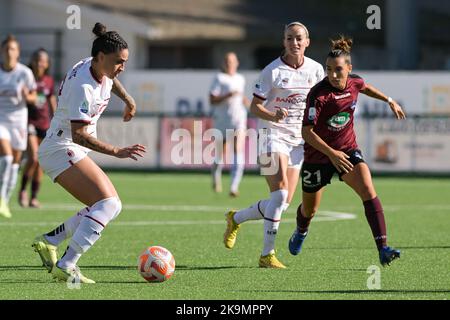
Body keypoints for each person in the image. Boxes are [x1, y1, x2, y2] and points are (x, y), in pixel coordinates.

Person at [31, 22, 145, 283]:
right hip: (62, 148)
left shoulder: (94, 64)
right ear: (102, 57)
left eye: (125, 62)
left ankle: (51, 240)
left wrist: (127, 99)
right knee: (110, 204)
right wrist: (117, 151)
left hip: (64, 147)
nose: (122, 68)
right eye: (119, 62)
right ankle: (67, 263)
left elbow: (111, 79)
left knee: (106, 206)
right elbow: (79, 134)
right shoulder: (84, 86)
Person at [288, 36, 406, 267]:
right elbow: (307, 133)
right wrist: (331, 153)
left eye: (338, 69)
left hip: (348, 150)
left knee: (368, 188)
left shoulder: (354, 82)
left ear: (349, 69)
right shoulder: (318, 95)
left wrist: (389, 100)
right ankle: (301, 231)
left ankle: (383, 248)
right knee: (310, 210)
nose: (332, 75)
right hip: (318, 156)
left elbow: (365, 87)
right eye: (328, 69)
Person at [223, 22, 324, 268]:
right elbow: (254, 106)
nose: (294, 43)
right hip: (271, 136)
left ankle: (235, 218)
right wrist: (272, 116)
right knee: (278, 194)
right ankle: (266, 255)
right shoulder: (272, 71)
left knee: (283, 202)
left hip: (299, 141)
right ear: (284, 42)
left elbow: (323, 102)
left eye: (299, 38)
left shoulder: (316, 70)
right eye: (289, 38)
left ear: (307, 42)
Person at [0, 35, 37, 218]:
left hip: (18, 121)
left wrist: (26, 96)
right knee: (6, 158)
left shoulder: (24, 73)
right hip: (1, 120)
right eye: (6, 49)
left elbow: (34, 97)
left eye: (12, 49)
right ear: (1, 51)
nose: (9, 52)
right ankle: (0, 199)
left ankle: (5, 201)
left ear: (18, 52)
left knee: (15, 162)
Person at [18, 48, 57, 208]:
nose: (39, 63)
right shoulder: (27, 78)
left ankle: (34, 196)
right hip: (28, 123)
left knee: (40, 162)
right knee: (33, 157)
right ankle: (22, 191)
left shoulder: (49, 80)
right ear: (32, 62)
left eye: (43, 61)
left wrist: (57, 120)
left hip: (45, 124)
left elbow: (51, 100)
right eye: (36, 60)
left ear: (47, 64)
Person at [209, 52, 250, 197]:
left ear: (237, 63)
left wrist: (248, 104)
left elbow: (241, 96)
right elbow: (212, 100)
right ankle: (215, 176)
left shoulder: (240, 78)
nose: (229, 64)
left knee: (238, 150)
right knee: (220, 154)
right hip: (222, 120)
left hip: (239, 119)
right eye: (227, 61)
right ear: (223, 64)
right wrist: (228, 95)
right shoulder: (219, 78)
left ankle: (234, 187)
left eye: (232, 61)